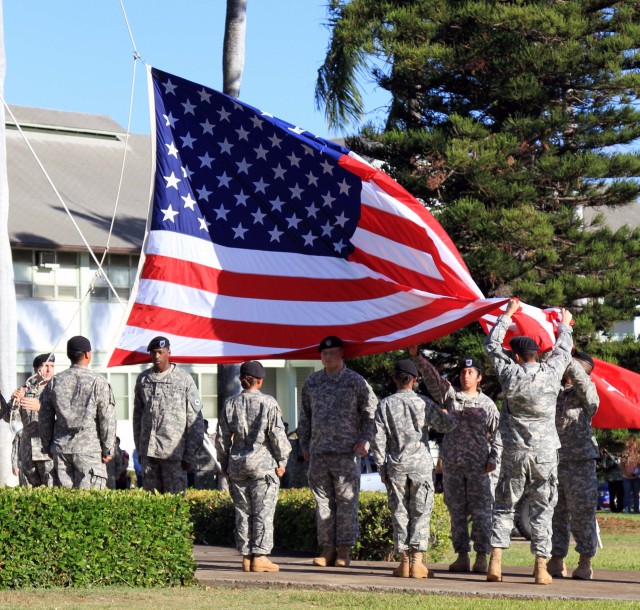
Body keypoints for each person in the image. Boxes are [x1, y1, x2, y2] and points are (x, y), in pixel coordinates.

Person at [484, 298, 573, 585]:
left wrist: (507, 315)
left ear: (518, 357)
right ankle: (540, 567)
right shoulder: (551, 373)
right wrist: (564, 325)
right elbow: (563, 350)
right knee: (542, 508)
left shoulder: (510, 374)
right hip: (545, 455)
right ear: (536, 354)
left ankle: (495, 562)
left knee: (504, 506)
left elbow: (491, 347)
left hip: (514, 453)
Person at [409, 347, 500, 574]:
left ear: (479, 377)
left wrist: (494, 457)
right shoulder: (451, 397)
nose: (465, 375)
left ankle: (481, 556)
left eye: (470, 372)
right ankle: (462, 556)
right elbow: (433, 380)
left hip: (480, 467)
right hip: (453, 466)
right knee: (456, 512)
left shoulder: (488, 404)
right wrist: (417, 357)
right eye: (463, 372)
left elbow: (499, 434)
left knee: (481, 512)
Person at [370, 359, 457, 578]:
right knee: (420, 511)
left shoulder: (385, 405)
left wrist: (381, 467)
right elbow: (447, 426)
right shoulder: (424, 402)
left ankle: (404, 563)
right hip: (420, 465)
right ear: (415, 380)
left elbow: (377, 440)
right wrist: (448, 412)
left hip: (396, 465)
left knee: (400, 512)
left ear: (394, 379)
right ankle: (417, 563)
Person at [298, 336, 378, 568]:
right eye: (324, 353)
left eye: (332, 352)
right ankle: (327, 549)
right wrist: (305, 444)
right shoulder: (312, 382)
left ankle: (344, 550)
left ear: (342, 353)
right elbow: (305, 416)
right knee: (322, 503)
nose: (327, 356)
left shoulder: (355, 381)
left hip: (346, 452)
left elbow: (370, 411)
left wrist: (365, 440)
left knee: (346, 502)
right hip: (319, 453)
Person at [216, 361, 291, 572]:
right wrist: (282, 460)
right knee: (263, 512)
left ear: (242, 379)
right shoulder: (268, 403)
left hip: (238, 465)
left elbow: (222, 438)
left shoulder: (230, 404)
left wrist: (223, 462)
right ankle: (260, 556)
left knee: (243, 512)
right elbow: (277, 435)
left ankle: (246, 556)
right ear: (260, 381)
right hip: (263, 466)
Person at [39, 336, 117, 490]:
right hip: (90, 451)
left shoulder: (55, 382)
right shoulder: (98, 382)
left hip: (61, 450)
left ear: (69, 355)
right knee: (90, 505)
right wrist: (108, 448)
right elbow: (107, 419)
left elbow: (45, 419)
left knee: (63, 505)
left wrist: (47, 446)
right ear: (87, 354)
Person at [548, 351, 600, 580]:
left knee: (582, 513)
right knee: (555, 513)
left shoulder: (587, 393)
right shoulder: (554, 392)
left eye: (574, 365)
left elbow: (588, 392)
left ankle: (585, 560)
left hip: (580, 463)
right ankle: (557, 559)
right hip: (554, 460)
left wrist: (567, 357)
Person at [133, 336, 205, 494]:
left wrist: (189, 456)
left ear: (168, 352)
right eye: (153, 353)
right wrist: (139, 450)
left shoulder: (183, 379)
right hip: (149, 454)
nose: (157, 356)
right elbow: (137, 417)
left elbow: (195, 421)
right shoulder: (143, 379)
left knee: (175, 503)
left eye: (160, 352)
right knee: (152, 505)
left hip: (174, 455)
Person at [2, 354, 56, 487]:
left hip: (48, 452)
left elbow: (67, 419)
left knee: (52, 491)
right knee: (28, 494)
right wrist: (15, 402)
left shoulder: (57, 391)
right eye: (45, 366)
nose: (49, 370)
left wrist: (40, 408)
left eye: (52, 366)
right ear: (36, 369)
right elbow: (8, 418)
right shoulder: (25, 391)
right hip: (27, 452)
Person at [600, 447, 624, 513]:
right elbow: (604, 467)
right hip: (612, 479)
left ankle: (620, 508)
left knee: (620, 494)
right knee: (612, 494)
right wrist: (612, 462)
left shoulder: (619, 457)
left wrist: (614, 460)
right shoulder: (607, 459)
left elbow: (619, 464)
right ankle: (613, 508)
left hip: (619, 478)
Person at [621, 436, 640, 513]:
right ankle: (627, 510)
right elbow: (622, 465)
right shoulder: (625, 454)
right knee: (627, 495)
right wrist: (626, 473)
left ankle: (636, 511)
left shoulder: (638, 454)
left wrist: (637, 472)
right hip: (626, 478)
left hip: (636, 478)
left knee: (636, 495)